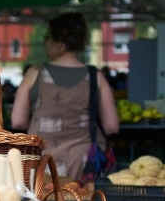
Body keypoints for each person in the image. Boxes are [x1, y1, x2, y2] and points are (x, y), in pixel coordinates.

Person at [11, 12, 119, 181]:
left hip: (41, 165)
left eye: (48, 38)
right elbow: (112, 126)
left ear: (59, 43)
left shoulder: (34, 74)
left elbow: (18, 121)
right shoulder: (95, 76)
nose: (45, 43)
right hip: (83, 166)